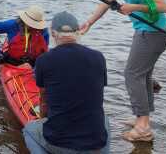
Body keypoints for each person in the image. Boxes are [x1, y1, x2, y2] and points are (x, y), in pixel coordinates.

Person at [79, 0, 166, 142]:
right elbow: (106, 1)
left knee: (132, 74)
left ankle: (143, 128)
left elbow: (163, 7)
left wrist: (133, 7)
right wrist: (89, 23)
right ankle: (142, 118)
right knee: (143, 75)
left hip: (155, 32)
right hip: (142, 31)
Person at [23, 12, 109, 154]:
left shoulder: (44, 60)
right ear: (78, 31)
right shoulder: (99, 57)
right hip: (95, 142)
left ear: (53, 33)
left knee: (29, 130)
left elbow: (44, 102)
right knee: (104, 119)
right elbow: (96, 95)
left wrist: (43, 119)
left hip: (58, 141)